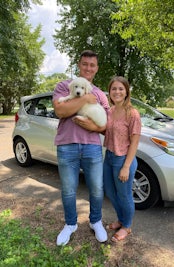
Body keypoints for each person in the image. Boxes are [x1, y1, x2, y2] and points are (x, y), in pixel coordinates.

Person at [53, 50, 109, 246]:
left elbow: (106, 124)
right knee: (68, 190)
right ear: (79, 65)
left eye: (92, 65)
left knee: (96, 188)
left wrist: (95, 127)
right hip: (67, 146)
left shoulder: (101, 94)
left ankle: (95, 221)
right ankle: (70, 224)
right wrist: (85, 99)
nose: (88, 68)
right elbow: (60, 111)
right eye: (85, 64)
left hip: (92, 147)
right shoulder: (63, 86)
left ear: (96, 68)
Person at [103, 76, 141, 242]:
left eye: (120, 89)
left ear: (126, 92)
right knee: (110, 192)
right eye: (113, 89)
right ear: (109, 92)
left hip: (123, 159)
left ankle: (126, 226)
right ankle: (120, 219)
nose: (117, 92)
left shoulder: (132, 114)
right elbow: (105, 131)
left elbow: (134, 143)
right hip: (109, 157)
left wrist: (126, 166)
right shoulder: (109, 111)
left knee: (124, 195)